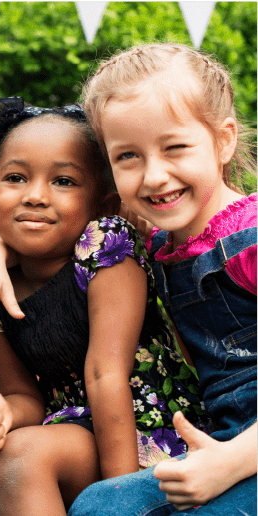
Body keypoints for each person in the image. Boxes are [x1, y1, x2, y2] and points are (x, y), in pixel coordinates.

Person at [0, 95, 206, 516]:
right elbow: (23, 395)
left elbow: (105, 374)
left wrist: (121, 497)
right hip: (69, 429)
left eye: (63, 181)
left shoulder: (105, 247)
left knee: (23, 456)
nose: (36, 196)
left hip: (145, 434)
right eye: (16, 178)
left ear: (103, 205)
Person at [67, 43, 258, 516]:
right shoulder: (159, 246)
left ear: (223, 140)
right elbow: (43, 232)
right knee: (98, 506)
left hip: (240, 454)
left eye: (175, 148)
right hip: (219, 443)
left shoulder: (250, 241)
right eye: (128, 156)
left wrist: (233, 461)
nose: (155, 176)